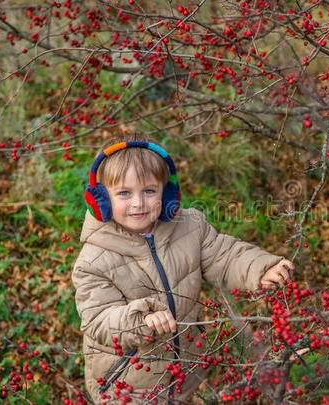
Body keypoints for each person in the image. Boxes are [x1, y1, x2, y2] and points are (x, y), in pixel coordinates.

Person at [72, 135, 294, 403]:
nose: (138, 203)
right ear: (101, 200)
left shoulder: (189, 226)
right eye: (124, 193)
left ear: (166, 193)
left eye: (149, 191)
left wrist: (261, 269)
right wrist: (140, 320)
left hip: (186, 368)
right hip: (129, 382)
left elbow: (224, 255)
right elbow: (99, 320)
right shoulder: (93, 261)